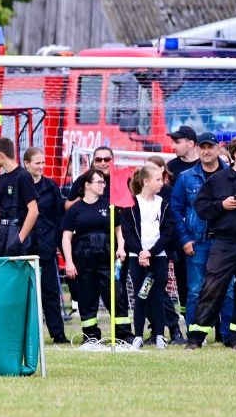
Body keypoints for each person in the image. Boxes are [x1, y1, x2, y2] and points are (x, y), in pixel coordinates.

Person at [186, 135, 236, 350]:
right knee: (212, 288)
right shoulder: (218, 180)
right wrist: (221, 205)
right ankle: (196, 337)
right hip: (223, 243)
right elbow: (201, 208)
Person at [60, 168, 129, 342]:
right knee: (86, 298)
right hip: (83, 259)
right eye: (99, 182)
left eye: (103, 182)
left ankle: (123, 335)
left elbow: (119, 231)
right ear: (87, 185)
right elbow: (66, 237)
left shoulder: (109, 205)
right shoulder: (75, 210)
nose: (102, 185)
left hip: (106, 258)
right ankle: (90, 336)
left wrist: (121, 248)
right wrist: (69, 262)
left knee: (116, 296)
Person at [118, 162, 176, 348]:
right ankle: (138, 336)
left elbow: (167, 233)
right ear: (146, 181)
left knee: (157, 295)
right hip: (138, 258)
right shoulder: (131, 205)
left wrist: (151, 252)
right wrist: (141, 252)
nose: (162, 183)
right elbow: (127, 233)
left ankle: (159, 335)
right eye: (158, 179)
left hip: (158, 256)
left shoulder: (164, 205)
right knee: (140, 295)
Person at [24, 147, 68, 343]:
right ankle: (26, 336)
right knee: (25, 296)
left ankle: (58, 334)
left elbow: (59, 217)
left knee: (50, 294)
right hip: (24, 249)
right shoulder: (20, 185)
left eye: (43, 162)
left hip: (47, 249)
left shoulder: (51, 187)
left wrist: (57, 243)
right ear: (27, 164)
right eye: (37, 163)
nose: (41, 166)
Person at [0, 137, 38, 256]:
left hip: (16, 230)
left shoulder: (23, 176)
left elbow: (34, 211)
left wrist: (20, 239)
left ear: (1, 155)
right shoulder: (1, 179)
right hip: (1, 232)